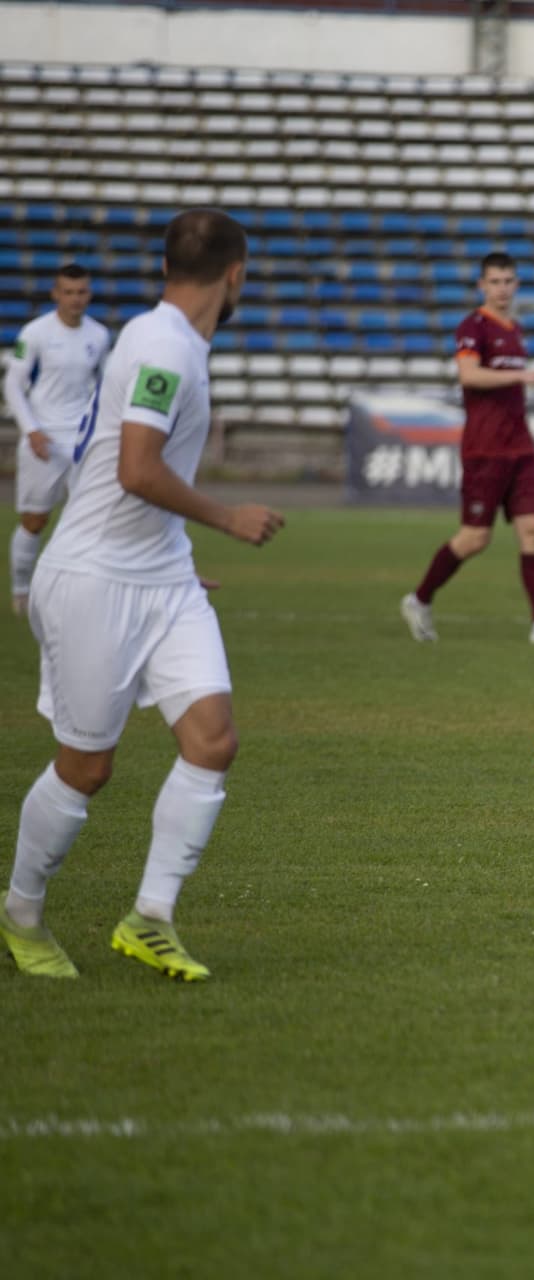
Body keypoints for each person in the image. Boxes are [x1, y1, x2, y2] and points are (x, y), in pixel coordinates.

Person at [1, 209, 284, 981]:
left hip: (161, 575)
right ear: (235, 276)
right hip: (94, 578)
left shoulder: (164, 337)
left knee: (213, 741)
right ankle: (21, 912)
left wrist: (175, 555)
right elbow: (136, 468)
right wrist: (230, 516)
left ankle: (149, 917)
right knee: (86, 768)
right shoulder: (163, 347)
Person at [400, 251, 534, 645]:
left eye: (509, 281)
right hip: (484, 450)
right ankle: (419, 599)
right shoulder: (474, 327)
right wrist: (523, 374)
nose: (502, 288)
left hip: (520, 447)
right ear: (481, 285)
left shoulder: (514, 328)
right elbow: (469, 375)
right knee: (474, 539)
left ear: (517, 285)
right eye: (495, 281)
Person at [6, 264, 110, 613]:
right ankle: (21, 591)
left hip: (83, 441)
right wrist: (31, 430)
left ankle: (78, 593)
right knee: (35, 521)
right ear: (55, 294)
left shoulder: (98, 335)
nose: (75, 299)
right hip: (44, 439)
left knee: (90, 520)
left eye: (81, 292)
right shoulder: (34, 333)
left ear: (89, 295)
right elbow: (12, 384)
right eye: (68, 292)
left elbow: (104, 387)